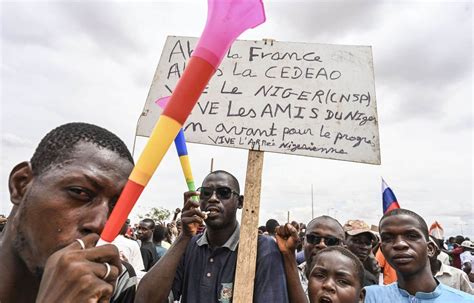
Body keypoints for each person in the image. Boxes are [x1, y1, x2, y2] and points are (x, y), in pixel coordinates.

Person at [0, 122, 136, 302]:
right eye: (80, 192)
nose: (100, 223)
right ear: (21, 184)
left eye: (117, 208)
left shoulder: (114, 284)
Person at [136, 170, 289, 302]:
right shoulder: (188, 246)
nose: (213, 198)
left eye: (223, 193)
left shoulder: (261, 248)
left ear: (240, 202)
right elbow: (145, 299)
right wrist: (183, 237)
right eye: (206, 193)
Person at [364, 208, 474, 302]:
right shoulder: (370, 297)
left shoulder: (465, 300)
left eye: (411, 236)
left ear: (430, 249)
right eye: (388, 238)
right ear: (382, 250)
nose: (399, 244)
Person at [276, 215, 345, 302]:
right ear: (303, 242)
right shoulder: (283, 277)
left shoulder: (348, 284)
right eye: (313, 238)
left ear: (343, 248)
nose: (321, 244)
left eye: (331, 241)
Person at [343, 219, 379, 286]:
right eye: (357, 241)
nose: (364, 247)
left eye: (368, 243)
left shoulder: (369, 278)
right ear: (343, 240)